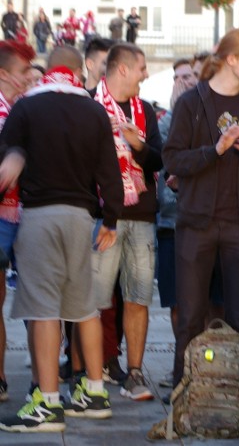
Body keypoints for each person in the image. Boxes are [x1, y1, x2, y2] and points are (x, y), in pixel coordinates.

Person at [0, 46, 123, 432]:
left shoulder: (26, 107)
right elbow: (109, 170)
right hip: (82, 217)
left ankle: (48, 404)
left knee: (44, 309)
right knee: (84, 307)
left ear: (49, 68)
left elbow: (8, 158)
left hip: (40, 214)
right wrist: (111, 219)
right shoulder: (93, 110)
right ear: (76, 68)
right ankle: (94, 392)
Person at [162, 28, 239, 390]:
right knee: (191, 317)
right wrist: (217, 149)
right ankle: (185, 393)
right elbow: (173, 159)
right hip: (196, 223)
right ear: (232, 58)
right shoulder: (192, 103)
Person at [89, 43, 163, 401]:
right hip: (104, 218)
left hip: (141, 216)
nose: (145, 74)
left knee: (138, 298)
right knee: (94, 299)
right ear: (122, 70)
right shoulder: (88, 105)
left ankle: (134, 373)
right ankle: (90, 373)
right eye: (142, 68)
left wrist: (138, 146)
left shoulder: (145, 110)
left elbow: (157, 162)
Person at [155, 58, 198, 380]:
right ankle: (181, 365)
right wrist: (175, 110)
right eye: (179, 77)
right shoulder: (168, 120)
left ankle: (205, 364)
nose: (184, 81)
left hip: (204, 223)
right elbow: (161, 159)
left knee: (208, 302)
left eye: (191, 76)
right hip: (171, 223)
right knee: (175, 301)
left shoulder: (211, 117)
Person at [0, 40, 35, 404]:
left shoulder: (20, 108)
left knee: (35, 300)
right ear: (4, 74)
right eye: (25, 71)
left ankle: (42, 378)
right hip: (4, 216)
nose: (30, 78)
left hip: (23, 213)